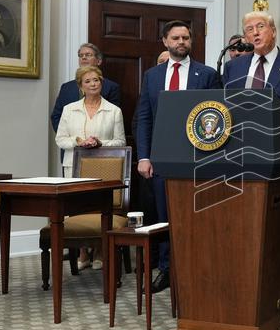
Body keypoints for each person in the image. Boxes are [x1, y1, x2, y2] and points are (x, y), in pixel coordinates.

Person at [223, 11, 280, 309]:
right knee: (241, 226)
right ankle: (243, 285)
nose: (254, 33)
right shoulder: (233, 67)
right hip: (238, 157)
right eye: (249, 29)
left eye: (260, 27)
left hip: (279, 158)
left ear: (273, 31)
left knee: (277, 226)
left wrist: (265, 117)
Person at [136, 20, 220, 292]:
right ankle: (167, 269)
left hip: (198, 158)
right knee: (164, 215)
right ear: (165, 41)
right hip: (162, 157)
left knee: (197, 215)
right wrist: (143, 156)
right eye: (176, 38)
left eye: (186, 37)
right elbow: (144, 119)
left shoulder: (206, 74)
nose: (181, 42)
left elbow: (218, 116)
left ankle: (197, 269)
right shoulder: (152, 76)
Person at [55, 65, 126, 270]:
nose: (93, 84)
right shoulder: (70, 109)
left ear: (101, 83)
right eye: (88, 81)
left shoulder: (114, 111)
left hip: (104, 168)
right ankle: (83, 254)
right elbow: (60, 139)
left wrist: (100, 143)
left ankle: (100, 252)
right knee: (77, 210)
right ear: (81, 86)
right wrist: (79, 141)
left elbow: (120, 142)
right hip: (73, 167)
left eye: (96, 80)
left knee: (99, 209)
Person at [51, 43, 122, 133]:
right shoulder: (66, 87)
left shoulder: (111, 87)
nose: (83, 57)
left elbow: (113, 120)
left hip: (100, 143)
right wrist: (70, 138)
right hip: (71, 144)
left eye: (88, 55)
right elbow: (56, 116)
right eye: (81, 55)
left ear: (99, 61)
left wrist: (92, 141)